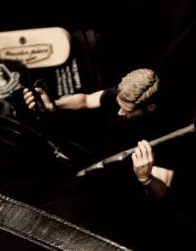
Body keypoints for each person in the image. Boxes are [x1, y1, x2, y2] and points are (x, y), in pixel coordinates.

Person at [24, 68, 174, 197]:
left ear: (150, 107)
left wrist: (146, 178)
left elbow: (162, 192)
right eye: (119, 105)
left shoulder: (163, 134)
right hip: (99, 155)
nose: (120, 112)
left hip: (119, 184)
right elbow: (86, 100)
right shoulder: (124, 95)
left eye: (128, 111)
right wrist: (53, 104)